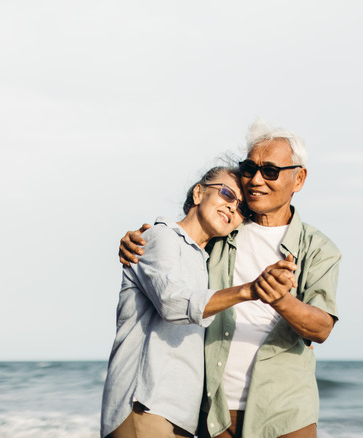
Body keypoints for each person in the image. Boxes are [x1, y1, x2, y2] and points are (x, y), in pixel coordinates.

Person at [119, 119, 341, 438]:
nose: (255, 180)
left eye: (270, 171)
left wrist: (280, 298)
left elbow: (321, 328)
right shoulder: (224, 231)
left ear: (299, 178)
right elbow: (176, 253)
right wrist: (141, 239)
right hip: (214, 412)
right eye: (249, 168)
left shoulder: (319, 248)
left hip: (285, 414)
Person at [101, 165, 299, 438]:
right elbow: (173, 304)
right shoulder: (161, 236)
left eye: (242, 209)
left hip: (178, 415)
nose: (232, 208)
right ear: (198, 193)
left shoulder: (203, 260)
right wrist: (248, 291)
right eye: (228, 194)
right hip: (145, 404)